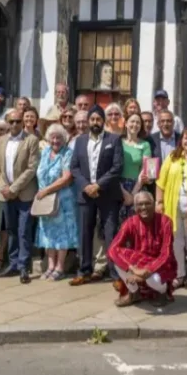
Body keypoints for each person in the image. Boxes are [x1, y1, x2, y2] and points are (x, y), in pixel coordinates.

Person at [70, 106, 124, 286]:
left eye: (98, 119)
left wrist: (98, 185)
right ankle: (84, 271)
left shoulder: (114, 140)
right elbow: (74, 167)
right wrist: (86, 186)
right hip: (86, 194)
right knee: (85, 233)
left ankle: (115, 274)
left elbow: (117, 167)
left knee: (111, 234)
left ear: (103, 121)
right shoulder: (79, 141)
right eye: (92, 119)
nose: (94, 122)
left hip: (107, 193)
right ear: (88, 122)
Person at [156, 127, 187, 294]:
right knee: (177, 243)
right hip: (174, 206)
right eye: (186, 138)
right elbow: (160, 182)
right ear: (181, 140)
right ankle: (179, 275)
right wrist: (159, 202)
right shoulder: (173, 157)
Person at [0, 110, 41, 284]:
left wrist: (14, 188)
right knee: (12, 230)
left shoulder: (31, 140)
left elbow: (31, 168)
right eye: (11, 121)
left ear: (23, 122)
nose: (14, 124)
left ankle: (23, 267)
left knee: (24, 231)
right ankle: (13, 264)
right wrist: (4, 187)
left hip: (24, 193)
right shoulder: (1, 141)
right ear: (7, 122)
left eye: (18, 121)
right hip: (6, 194)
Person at [107, 191, 177, 307]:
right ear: (135, 207)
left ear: (154, 204)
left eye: (147, 203)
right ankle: (134, 293)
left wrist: (147, 270)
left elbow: (166, 253)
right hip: (139, 262)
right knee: (116, 256)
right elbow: (113, 248)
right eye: (140, 204)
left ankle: (162, 293)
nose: (143, 207)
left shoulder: (165, 222)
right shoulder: (130, 222)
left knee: (151, 279)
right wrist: (133, 269)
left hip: (160, 264)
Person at [34, 124, 78, 281]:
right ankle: (50, 266)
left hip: (62, 201)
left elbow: (66, 178)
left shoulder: (67, 153)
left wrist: (46, 190)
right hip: (45, 202)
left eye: (59, 137)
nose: (55, 140)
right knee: (48, 234)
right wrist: (42, 192)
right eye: (52, 137)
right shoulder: (45, 152)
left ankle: (60, 267)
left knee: (62, 235)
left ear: (64, 139)